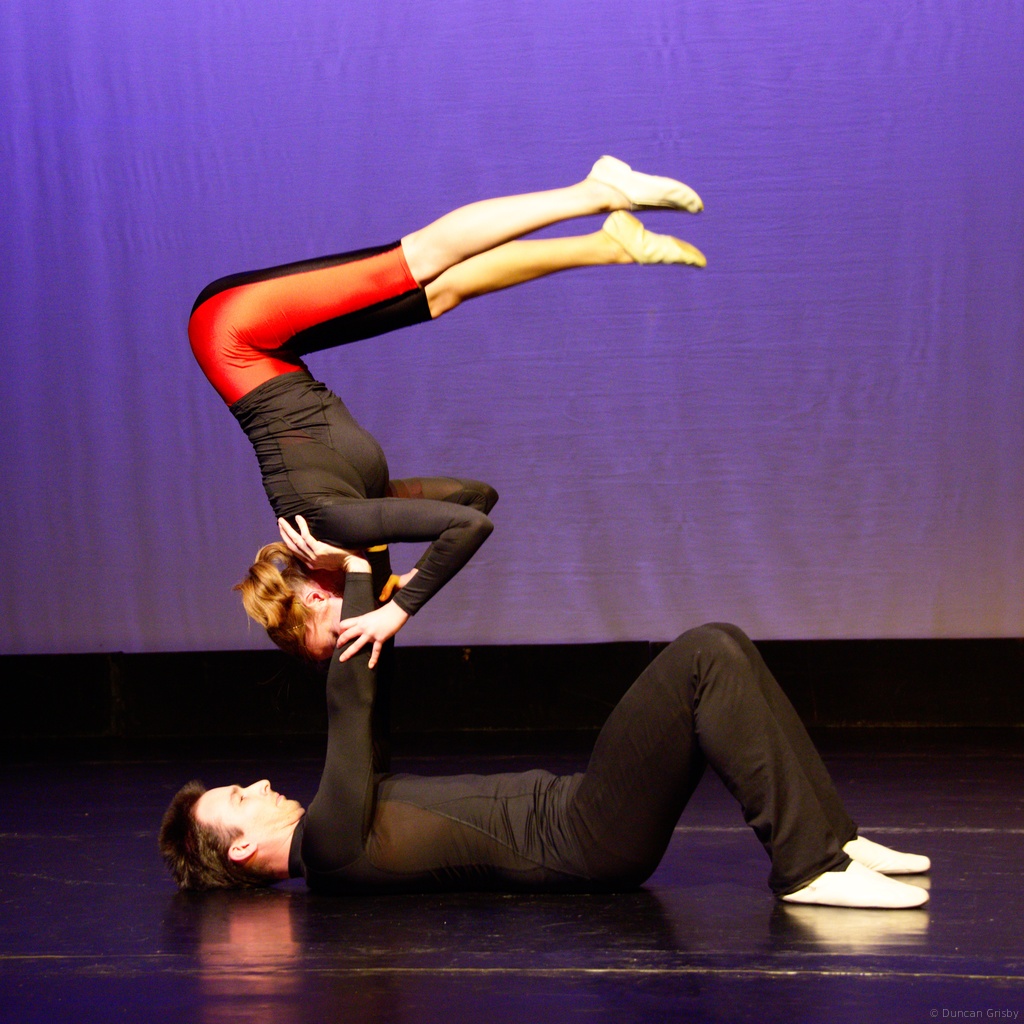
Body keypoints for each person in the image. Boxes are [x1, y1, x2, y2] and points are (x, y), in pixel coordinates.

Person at [159, 549, 931, 909]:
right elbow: (351, 703)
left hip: (579, 810)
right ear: (241, 850)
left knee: (719, 644)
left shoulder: (341, 824)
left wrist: (364, 558)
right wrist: (353, 572)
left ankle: (829, 838)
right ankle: (806, 869)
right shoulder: (328, 849)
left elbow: (372, 682)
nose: (260, 783)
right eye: (239, 797)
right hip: (586, 838)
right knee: (704, 656)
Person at [189, 157, 707, 667]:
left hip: (233, 333)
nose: (356, 630)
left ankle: (597, 191)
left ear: (316, 598)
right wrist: (396, 576)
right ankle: (607, 244)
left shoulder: (332, 519)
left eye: (337, 634)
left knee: (417, 258)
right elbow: (477, 499)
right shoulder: (360, 518)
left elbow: (467, 526)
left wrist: (399, 611)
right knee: (442, 293)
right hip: (273, 354)